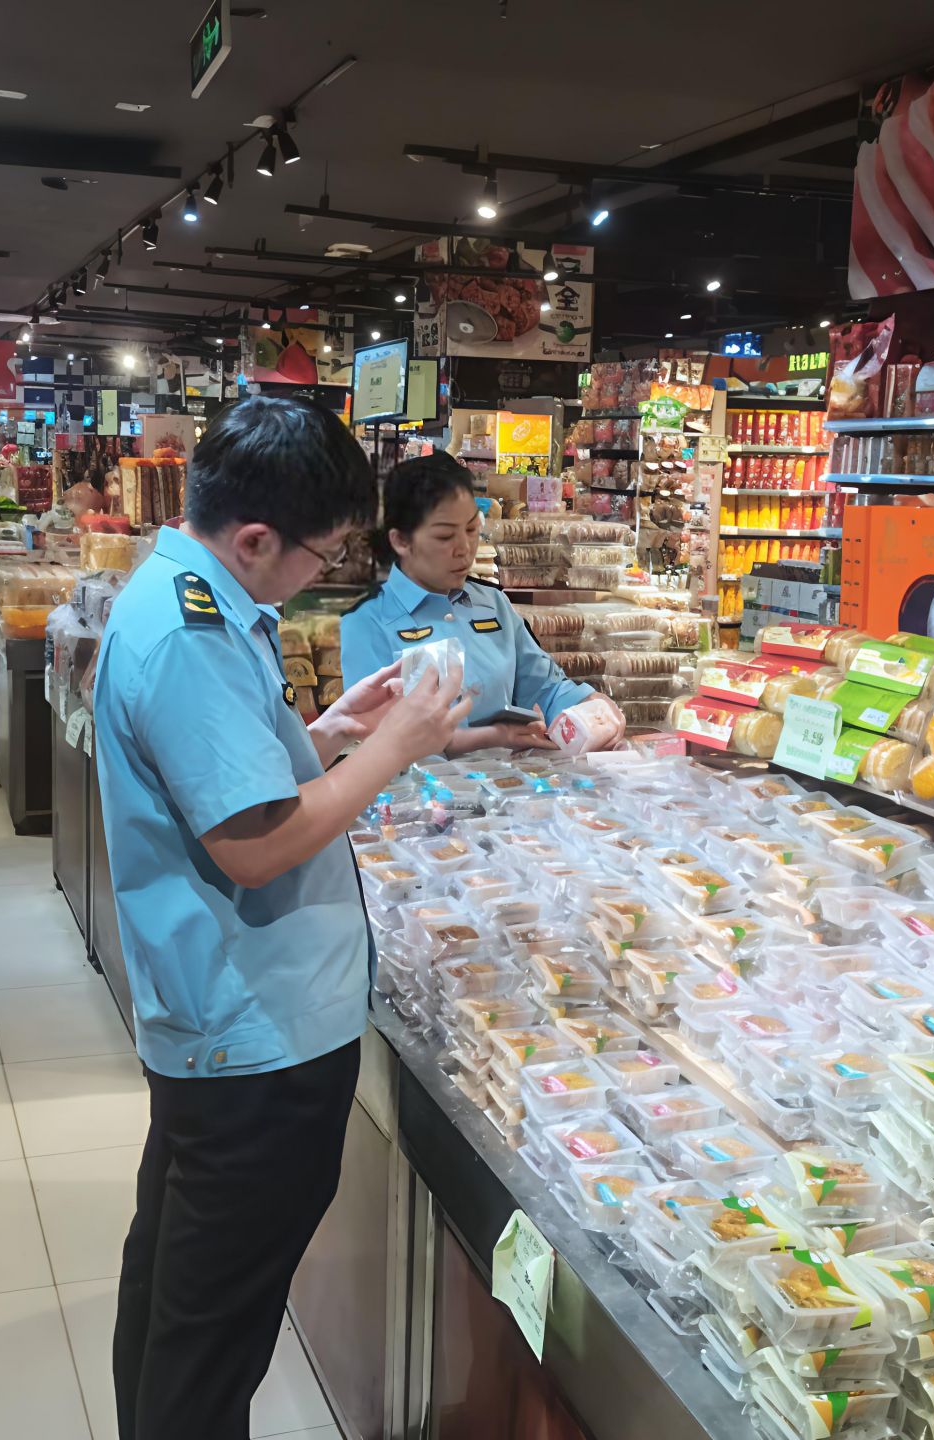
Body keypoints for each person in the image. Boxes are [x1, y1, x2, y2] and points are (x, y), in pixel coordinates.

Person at [93, 396, 469, 1440]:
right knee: (213, 1332)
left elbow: (222, 770)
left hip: (220, 1019)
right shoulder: (193, 635)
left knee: (177, 1296)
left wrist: (327, 730)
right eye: (325, 552)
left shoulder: (188, 592)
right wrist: (391, 749)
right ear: (256, 537)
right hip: (254, 1037)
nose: (324, 570)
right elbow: (253, 846)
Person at [340, 452, 623, 754]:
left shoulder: (492, 604)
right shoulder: (367, 621)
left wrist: (590, 705)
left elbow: (546, 688)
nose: (464, 548)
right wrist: (492, 737)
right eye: (445, 536)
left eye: (472, 529)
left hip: (508, 783)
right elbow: (382, 743)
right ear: (400, 541)